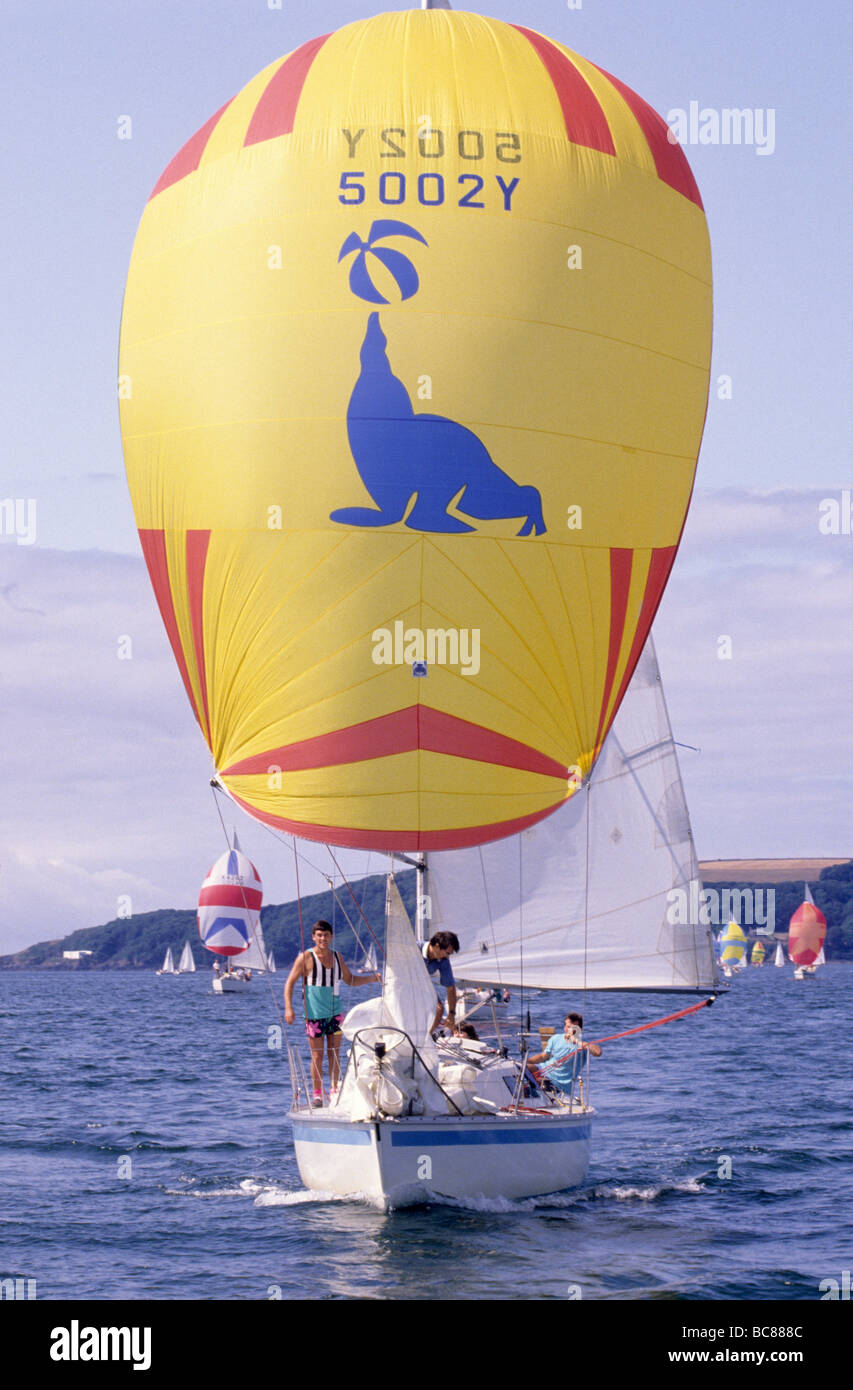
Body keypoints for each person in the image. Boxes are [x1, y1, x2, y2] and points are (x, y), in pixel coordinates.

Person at [284, 920, 380, 1106]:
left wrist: (371, 979)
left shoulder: (337, 957)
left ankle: (335, 1090)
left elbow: (350, 979)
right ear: (314, 937)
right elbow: (289, 983)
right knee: (317, 1055)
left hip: (335, 1014)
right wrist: (289, 1008)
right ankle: (318, 1094)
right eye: (319, 935)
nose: (323, 939)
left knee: (334, 1053)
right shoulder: (305, 958)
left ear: (331, 937)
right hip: (314, 1015)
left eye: (326, 935)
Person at [527, 1013, 602, 1094]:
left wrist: (577, 1041)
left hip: (559, 1084)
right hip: (542, 1071)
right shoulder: (555, 1038)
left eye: (574, 1028)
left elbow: (598, 1052)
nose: (570, 1030)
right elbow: (543, 1056)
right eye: (568, 1027)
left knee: (535, 1087)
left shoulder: (583, 1044)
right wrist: (526, 1062)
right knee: (519, 1068)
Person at [422, 931, 460, 1032]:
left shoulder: (443, 961)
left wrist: (451, 1014)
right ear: (437, 946)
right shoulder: (414, 948)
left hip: (421, 984)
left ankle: (425, 1040)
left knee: (439, 1009)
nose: (448, 957)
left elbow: (450, 988)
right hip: (403, 983)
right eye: (447, 953)